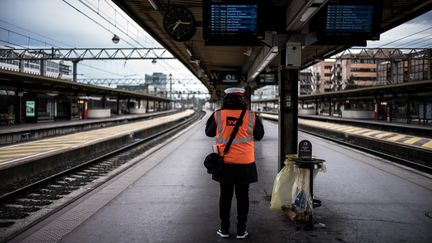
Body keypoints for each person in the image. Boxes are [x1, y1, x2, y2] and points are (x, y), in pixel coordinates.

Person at [205, 87, 264, 239]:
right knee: (243, 197)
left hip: (225, 163)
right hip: (245, 163)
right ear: (242, 99)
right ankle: (241, 230)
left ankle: (224, 229)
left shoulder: (218, 115)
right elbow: (260, 135)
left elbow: (209, 132)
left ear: (225, 99)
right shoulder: (251, 115)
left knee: (225, 196)